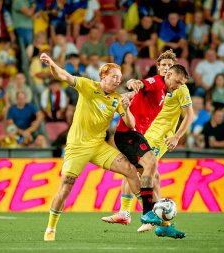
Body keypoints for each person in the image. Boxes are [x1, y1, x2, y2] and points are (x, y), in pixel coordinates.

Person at [40, 52, 140, 242]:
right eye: (114, 76)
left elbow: (132, 124)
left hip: (98, 146)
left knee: (130, 169)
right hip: (77, 147)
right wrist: (52, 63)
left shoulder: (118, 99)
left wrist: (126, 108)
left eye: (120, 77)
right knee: (65, 187)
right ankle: (51, 228)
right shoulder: (87, 86)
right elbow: (63, 76)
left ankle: (149, 212)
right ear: (103, 76)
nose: (117, 80)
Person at [101, 50, 191, 239]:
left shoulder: (174, 90)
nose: (178, 85)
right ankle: (148, 216)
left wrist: (175, 136)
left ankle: (152, 219)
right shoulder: (156, 83)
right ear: (163, 71)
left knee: (144, 173)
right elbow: (140, 85)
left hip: (151, 136)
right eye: (164, 66)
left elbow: (188, 114)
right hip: (132, 134)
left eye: (169, 65)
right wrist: (132, 83)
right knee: (148, 170)